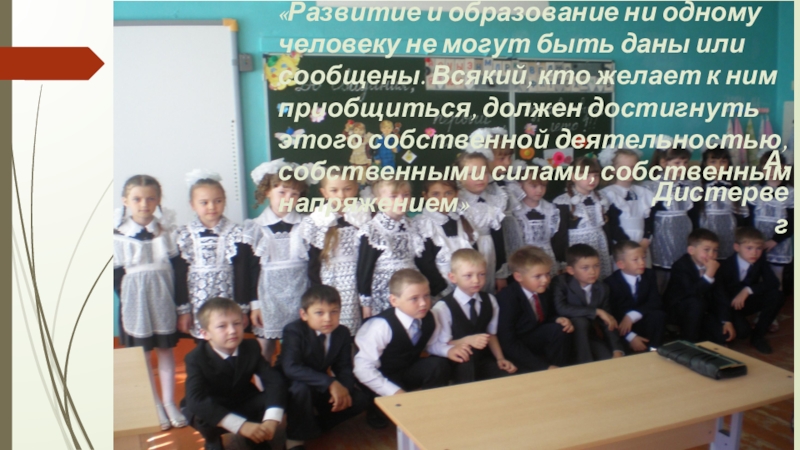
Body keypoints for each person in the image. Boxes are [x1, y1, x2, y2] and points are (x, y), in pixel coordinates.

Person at [114, 174, 187, 429]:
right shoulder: (117, 235)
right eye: (137, 199)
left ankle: (169, 402)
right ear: (125, 201)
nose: (144, 204)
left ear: (158, 200)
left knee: (166, 351)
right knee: (143, 354)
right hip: (135, 303)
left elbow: (179, 269)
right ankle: (154, 404)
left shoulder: (167, 232)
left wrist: (182, 307)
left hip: (163, 299)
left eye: (150, 198)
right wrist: (130, 298)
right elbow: (115, 274)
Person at [353, 269, 470, 428]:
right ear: (394, 300)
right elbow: (363, 369)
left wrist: (448, 350)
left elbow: (431, 344)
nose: (423, 303)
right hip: (382, 376)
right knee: (383, 420)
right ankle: (377, 409)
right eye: (414, 298)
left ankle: (433, 410)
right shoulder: (380, 327)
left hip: (407, 370)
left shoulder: (430, 317)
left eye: (426, 296)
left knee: (438, 365)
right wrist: (394, 392)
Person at [182, 298, 286, 450]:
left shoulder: (251, 347)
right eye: (222, 326)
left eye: (236, 323)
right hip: (214, 404)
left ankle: (257, 436)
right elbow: (195, 399)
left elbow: (273, 380)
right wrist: (241, 426)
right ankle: (212, 440)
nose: (232, 331)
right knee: (200, 412)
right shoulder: (195, 358)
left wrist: (271, 418)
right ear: (205, 334)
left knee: (275, 395)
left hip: (242, 399)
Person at [278, 285, 369, 450]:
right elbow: (291, 368)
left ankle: (316, 426)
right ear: (304, 315)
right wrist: (330, 383)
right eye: (319, 313)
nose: (328, 319)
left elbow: (344, 367)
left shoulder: (342, 333)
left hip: (319, 384)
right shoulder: (293, 330)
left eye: (334, 312)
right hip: (293, 384)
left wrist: (344, 390)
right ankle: (294, 439)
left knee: (360, 399)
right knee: (301, 388)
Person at [246, 159, 310, 362]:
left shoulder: (307, 225)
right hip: (268, 298)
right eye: (282, 192)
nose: (288, 198)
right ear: (267, 191)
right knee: (265, 350)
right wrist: (255, 305)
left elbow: (314, 266)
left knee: (300, 348)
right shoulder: (255, 228)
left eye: (294, 194)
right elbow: (251, 271)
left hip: (300, 295)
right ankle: (265, 383)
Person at [299, 166, 371, 335]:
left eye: (347, 189)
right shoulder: (317, 221)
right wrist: (318, 293)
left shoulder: (365, 216)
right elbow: (313, 264)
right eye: (334, 190)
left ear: (356, 189)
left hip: (359, 284)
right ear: (324, 193)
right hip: (330, 284)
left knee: (360, 332)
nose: (341, 195)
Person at [432, 249, 517, 384]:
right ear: (453, 277)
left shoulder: (490, 300)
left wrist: (500, 358)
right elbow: (442, 343)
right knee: (468, 370)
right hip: (457, 362)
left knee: (507, 377)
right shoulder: (443, 308)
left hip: (482, 359)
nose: (476, 280)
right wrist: (466, 340)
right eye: (468, 275)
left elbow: (491, 334)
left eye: (481, 274)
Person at [496, 246, 573, 372]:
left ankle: (559, 370)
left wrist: (558, 319)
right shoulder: (507, 299)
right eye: (538, 276)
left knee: (559, 329)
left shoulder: (542, 291)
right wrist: (544, 367)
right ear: (518, 277)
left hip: (534, 335)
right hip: (516, 345)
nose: (545, 280)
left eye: (547, 274)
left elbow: (547, 315)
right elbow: (508, 342)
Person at [357, 178, 426, 317]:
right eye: (393, 196)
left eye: (405, 195)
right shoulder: (372, 230)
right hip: (385, 296)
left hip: (412, 295)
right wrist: (366, 306)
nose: (401, 200)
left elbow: (421, 262)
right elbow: (364, 272)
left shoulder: (413, 226)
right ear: (379, 201)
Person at [553, 156, 626, 279]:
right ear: (573, 177)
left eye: (595, 175)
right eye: (586, 175)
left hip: (600, 248)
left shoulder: (602, 199)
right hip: (576, 252)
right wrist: (563, 260)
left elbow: (609, 228)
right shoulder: (563, 202)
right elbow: (560, 235)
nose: (592, 179)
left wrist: (611, 251)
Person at [716, 227, 785, 354]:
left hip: (746, 301)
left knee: (777, 295)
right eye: (749, 248)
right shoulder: (726, 266)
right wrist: (726, 319)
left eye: (759, 248)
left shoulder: (759, 261)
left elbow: (773, 282)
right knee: (742, 332)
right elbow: (720, 296)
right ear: (737, 247)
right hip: (729, 305)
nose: (754, 253)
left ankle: (758, 337)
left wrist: (748, 290)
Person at [553, 244, 624, 363]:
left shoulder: (602, 289)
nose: (592, 272)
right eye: (585, 268)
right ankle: (585, 364)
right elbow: (561, 308)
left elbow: (607, 321)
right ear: (571, 270)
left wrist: (617, 350)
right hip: (565, 336)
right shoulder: (561, 282)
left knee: (609, 359)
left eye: (596, 266)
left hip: (589, 336)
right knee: (581, 321)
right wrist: (596, 311)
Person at [664, 228, 735, 345]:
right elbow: (692, 292)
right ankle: (687, 341)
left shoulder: (715, 267)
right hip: (680, 310)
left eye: (715, 250)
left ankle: (698, 335)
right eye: (706, 250)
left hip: (703, 312)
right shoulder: (681, 266)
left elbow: (721, 295)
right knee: (696, 302)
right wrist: (709, 275)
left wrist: (726, 321)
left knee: (724, 336)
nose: (711, 254)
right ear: (691, 250)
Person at [643, 139, 695, 292]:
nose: (682, 167)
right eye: (677, 163)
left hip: (684, 232)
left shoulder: (689, 185)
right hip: (663, 233)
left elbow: (693, 214)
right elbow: (648, 216)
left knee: (683, 270)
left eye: (685, 163)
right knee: (663, 273)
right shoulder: (652, 186)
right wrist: (647, 236)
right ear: (664, 163)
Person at [413, 179, 477, 300]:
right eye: (435, 194)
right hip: (441, 291)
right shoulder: (422, 224)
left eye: (448, 193)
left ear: (456, 194)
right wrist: (443, 291)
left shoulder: (461, 219)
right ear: (425, 196)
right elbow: (425, 264)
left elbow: (473, 254)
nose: (442, 198)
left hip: (468, 286)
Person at [456, 150, 508, 293]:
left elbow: (499, 239)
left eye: (483, 172)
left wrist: (500, 274)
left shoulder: (495, 201)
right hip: (467, 257)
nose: (479, 177)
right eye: (472, 173)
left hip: (491, 253)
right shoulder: (456, 202)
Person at [604, 241, 665, 352]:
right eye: (635, 259)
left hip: (642, 320)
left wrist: (632, 316)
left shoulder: (649, 275)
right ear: (621, 264)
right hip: (623, 329)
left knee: (658, 315)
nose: (642, 262)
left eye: (643, 257)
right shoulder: (610, 283)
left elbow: (655, 301)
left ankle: (654, 350)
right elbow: (614, 313)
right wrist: (631, 337)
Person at [692, 143, 749, 259]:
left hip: (729, 234)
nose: (718, 166)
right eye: (713, 162)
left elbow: (741, 216)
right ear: (705, 164)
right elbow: (693, 215)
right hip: (705, 236)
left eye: (723, 162)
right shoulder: (697, 186)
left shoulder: (733, 186)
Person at [598, 147, 655, 253]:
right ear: (613, 170)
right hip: (621, 246)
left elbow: (648, 221)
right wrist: (628, 246)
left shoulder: (643, 193)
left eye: (633, 167)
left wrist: (645, 239)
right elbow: (611, 225)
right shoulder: (608, 194)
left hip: (642, 244)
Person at [513, 164, 561, 275]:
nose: (539, 190)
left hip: (546, 258)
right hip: (524, 260)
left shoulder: (550, 209)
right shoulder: (515, 210)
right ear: (520, 185)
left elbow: (556, 239)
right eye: (534, 186)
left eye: (543, 185)